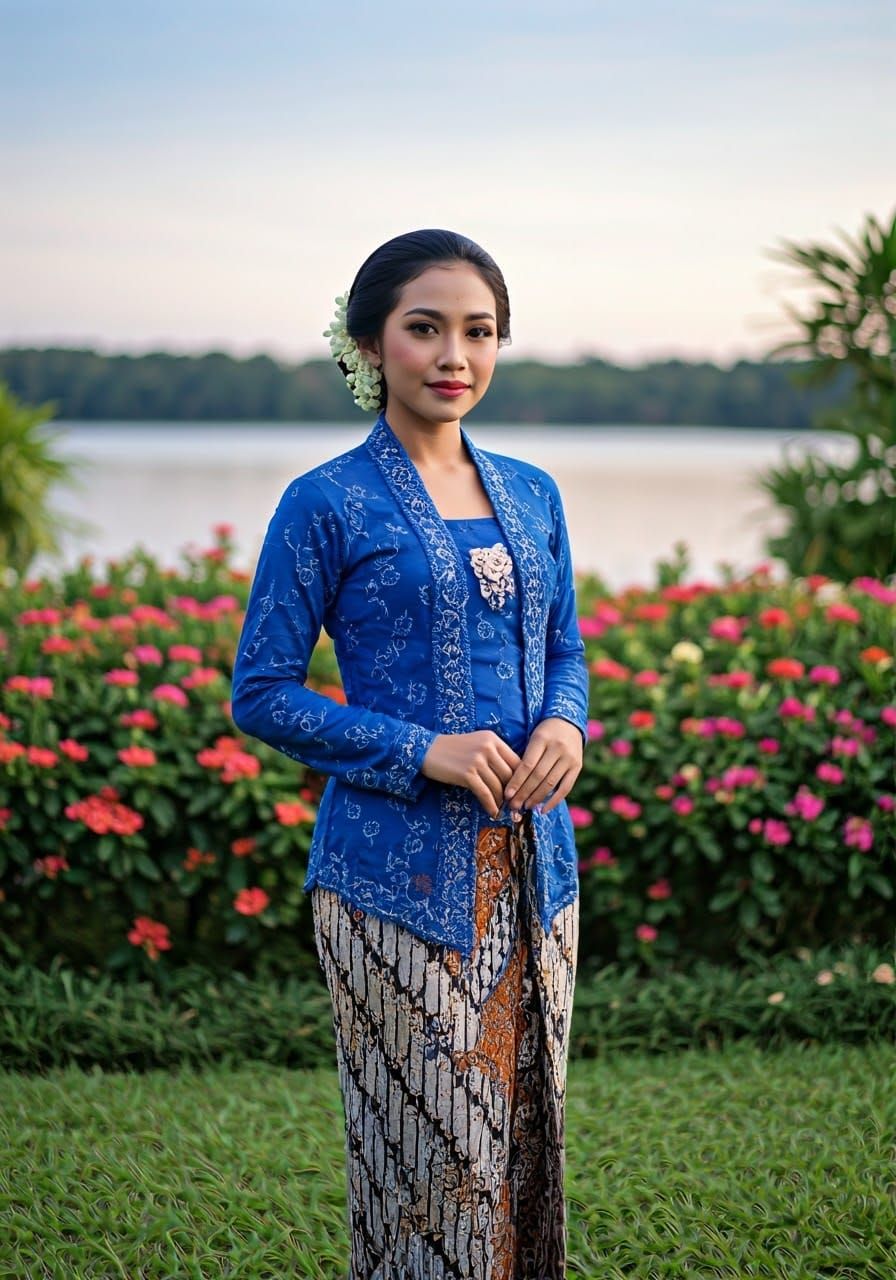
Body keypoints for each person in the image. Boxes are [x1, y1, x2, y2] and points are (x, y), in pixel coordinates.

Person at [230, 228, 590, 1280]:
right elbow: (262, 692)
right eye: (423, 327)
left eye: (477, 331)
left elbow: (563, 643)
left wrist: (564, 723)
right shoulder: (326, 502)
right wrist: (419, 747)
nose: (453, 355)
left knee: (523, 1148)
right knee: (428, 1160)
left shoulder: (531, 492)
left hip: (537, 877)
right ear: (368, 343)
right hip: (393, 883)